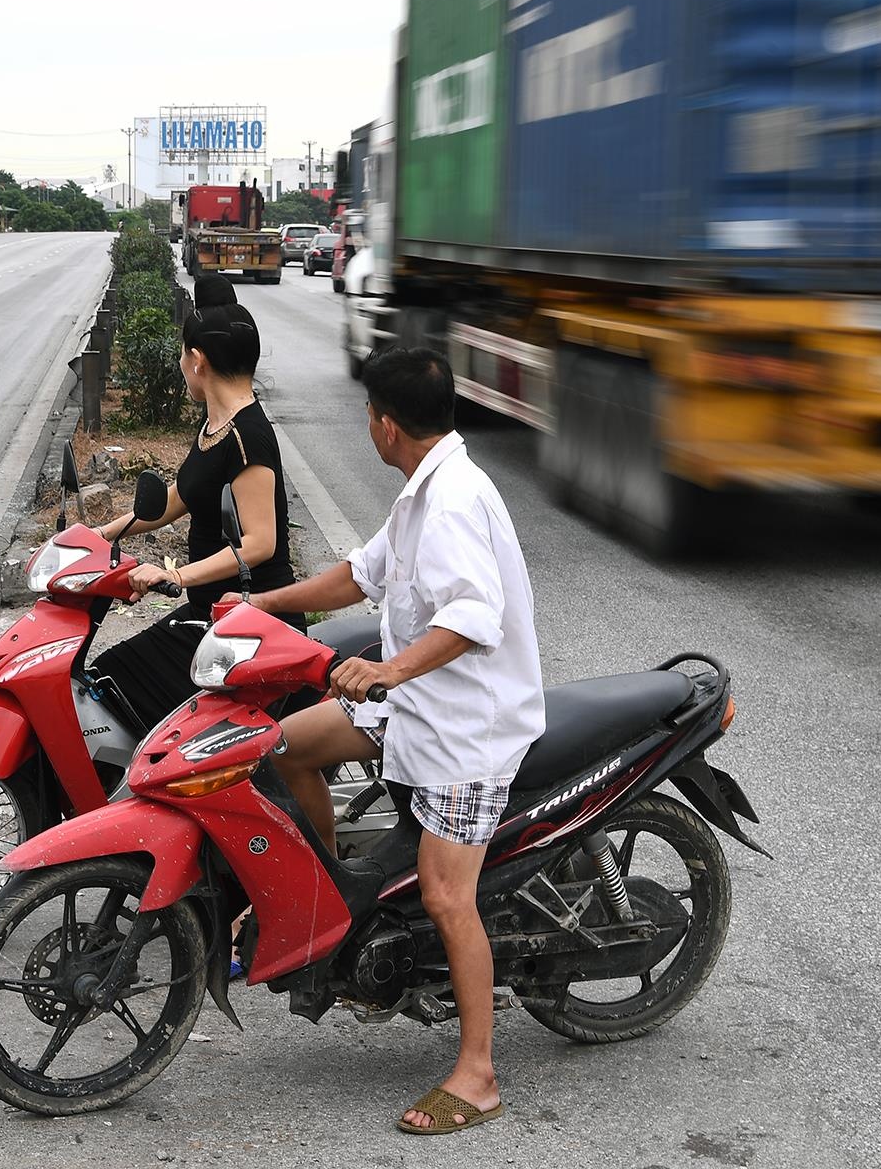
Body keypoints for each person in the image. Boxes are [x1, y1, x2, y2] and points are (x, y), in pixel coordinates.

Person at [223, 347, 542, 1137]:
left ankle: (479, 1075)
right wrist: (258, 606)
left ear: (385, 424)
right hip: (416, 704)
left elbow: (475, 616)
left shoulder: (457, 501)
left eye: (368, 412)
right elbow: (356, 577)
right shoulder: (420, 494)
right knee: (284, 747)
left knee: (445, 895)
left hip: (470, 728)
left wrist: (389, 669)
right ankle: (336, 902)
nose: (368, 423)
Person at [88, 274, 304, 730]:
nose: (181, 363)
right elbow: (177, 499)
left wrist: (174, 575)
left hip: (251, 623)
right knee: (109, 677)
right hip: (212, 613)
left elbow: (261, 543)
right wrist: (102, 535)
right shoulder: (216, 424)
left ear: (198, 359)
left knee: (123, 690)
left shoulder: (248, 437)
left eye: (183, 354)